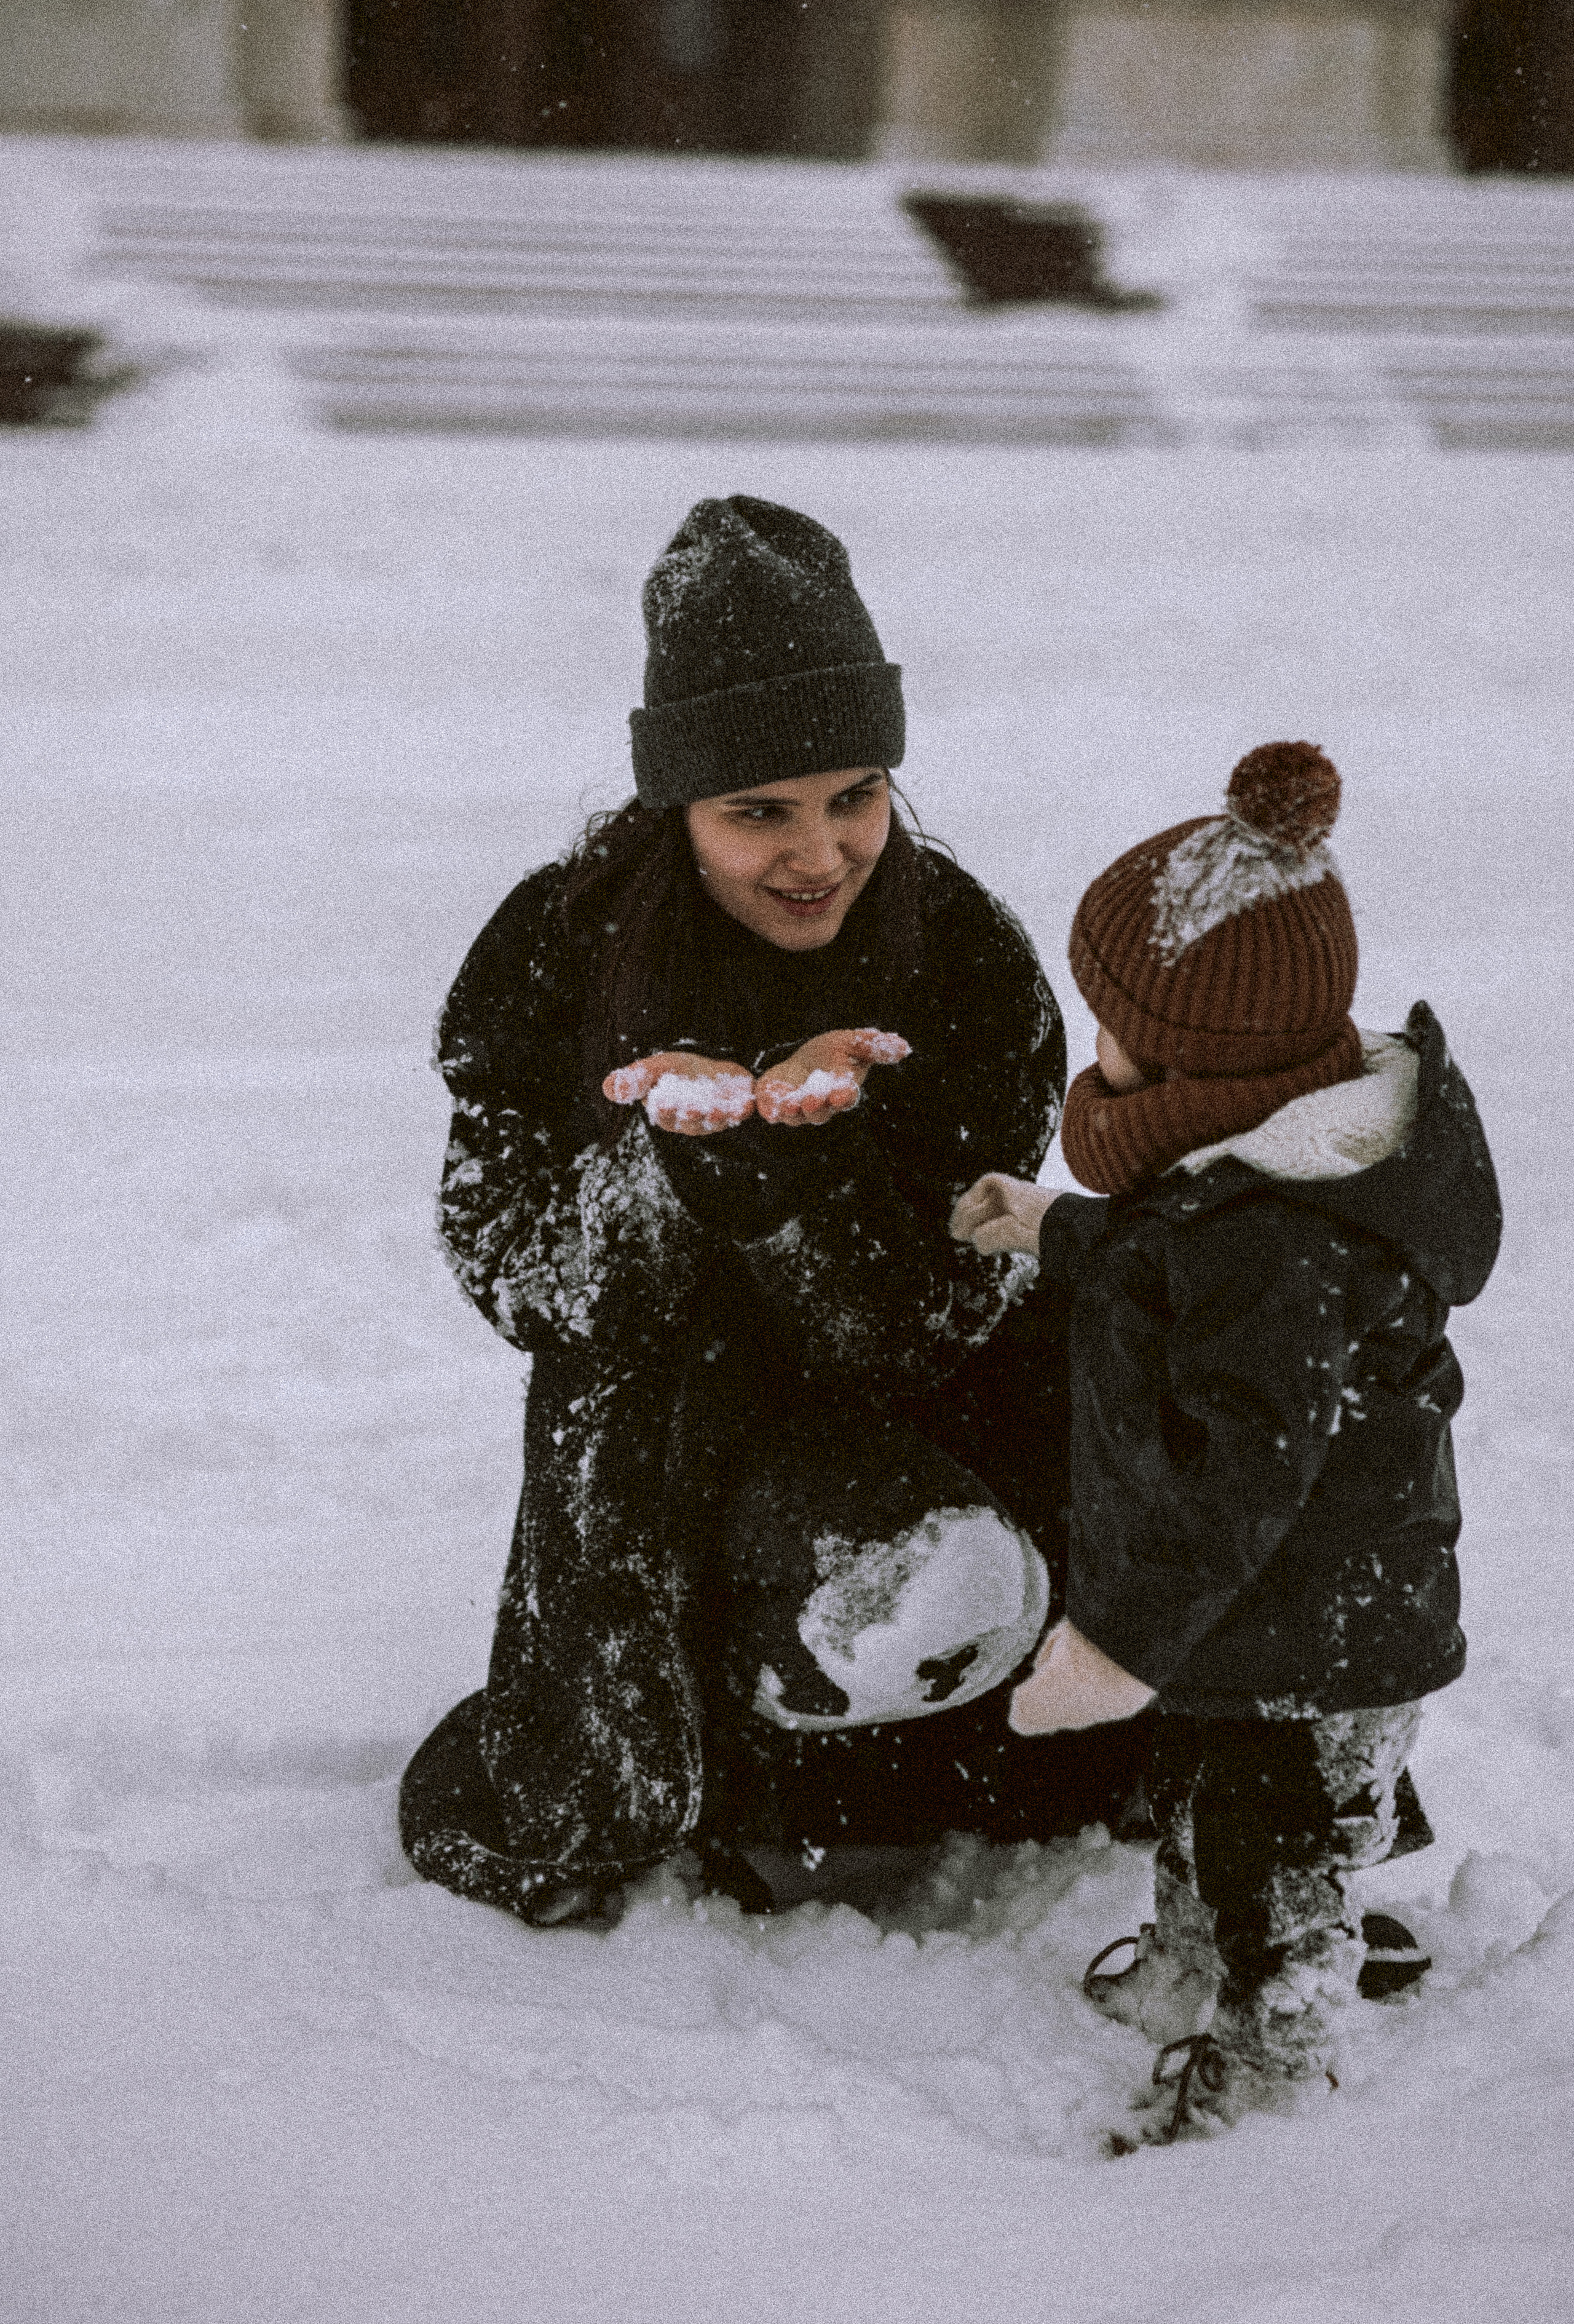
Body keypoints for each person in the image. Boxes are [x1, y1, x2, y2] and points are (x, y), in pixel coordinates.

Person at [399, 493, 1148, 1928]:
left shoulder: (966, 960)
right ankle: (634, 1774)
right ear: (672, 806)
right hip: (671, 1446)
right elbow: (521, 1281)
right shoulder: (552, 953)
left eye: (852, 796)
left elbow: (937, 1316)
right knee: (619, 1410)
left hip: (923, 1416)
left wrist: (807, 1184)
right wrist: (674, 1170)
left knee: (1129, 1328)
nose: (819, 856)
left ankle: (1052, 1736)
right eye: (758, 813)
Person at [952, 739, 1501, 2141]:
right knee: (1201, 1801)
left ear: (1200, 1056)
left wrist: (1114, 1646)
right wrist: (1053, 1227)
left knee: (1270, 1856)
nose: (1095, 1052)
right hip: (1264, 1623)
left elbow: (1233, 1481)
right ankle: (1193, 1958)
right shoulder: (1253, 1172)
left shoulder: (1282, 1244)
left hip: (1312, 1629)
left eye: (1110, 1025)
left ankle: (1268, 2055)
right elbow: (1166, 1269)